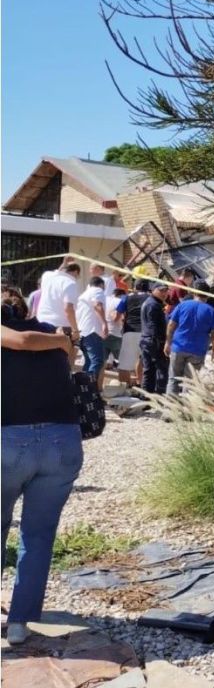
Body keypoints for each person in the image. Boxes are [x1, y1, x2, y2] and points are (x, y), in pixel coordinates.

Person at [1, 299, 82, 646]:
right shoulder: (53, 336)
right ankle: (20, 623)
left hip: (9, 439)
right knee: (38, 535)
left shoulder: (13, 338)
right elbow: (67, 363)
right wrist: (65, 338)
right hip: (63, 440)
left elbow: (20, 343)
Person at [165, 280, 214, 396]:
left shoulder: (182, 305)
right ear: (208, 294)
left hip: (178, 347)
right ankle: (187, 409)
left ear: (193, 292)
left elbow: (171, 325)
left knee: (173, 379)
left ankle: (169, 410)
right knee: (191, 382)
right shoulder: (212, 312)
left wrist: (168, 342)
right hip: (198, 350)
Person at [115, 280, 150, 389]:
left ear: (135, 287)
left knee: (124, 363)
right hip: (146, 332)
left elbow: (118, 313)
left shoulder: (127, 297)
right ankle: (141, 384)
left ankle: (125, 387)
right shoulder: (150, 298)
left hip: (130, 331)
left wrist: (117, 320)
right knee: (142, 360)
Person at [36, 260, 81, 340]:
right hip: (60, 326)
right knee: (61, 352)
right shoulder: (70, 283)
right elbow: (68, 308)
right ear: (76, 272)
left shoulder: (47, 276)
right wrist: (75, 330)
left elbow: (57, 273)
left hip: (41, 322)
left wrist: (64, 263)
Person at [75, 276, 109, 383]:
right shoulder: (97, 290)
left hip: (83, 331)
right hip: (92, 331)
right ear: (101, 285)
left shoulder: (83, 295)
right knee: (97, 361)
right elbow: (97, 305)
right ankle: (89, 386)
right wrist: (104, 323)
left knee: (89, 361)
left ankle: (84, 388)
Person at [139, 282, 170, 394]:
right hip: (154, 341)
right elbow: (153, 326)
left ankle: (147, 396)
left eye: (166, 291)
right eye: (161, 290)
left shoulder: (152, 303)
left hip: (147, 340)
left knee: (149, 370)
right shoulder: (153, 305)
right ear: (153, 290)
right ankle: (160, 395)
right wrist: (162, 342)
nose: (164, 293)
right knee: (161, 369)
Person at [104, 288, 127, 368]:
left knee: (102, 360)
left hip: (103, 332)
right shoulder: (120, 302)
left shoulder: (105, 299)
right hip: (116, 333)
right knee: (122, 359)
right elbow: (119, 318)